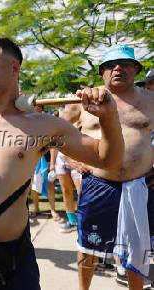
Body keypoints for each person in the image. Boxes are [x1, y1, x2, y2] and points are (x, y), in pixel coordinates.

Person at [0, 38, 124, 290]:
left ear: (14, 68)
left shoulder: (42, 126)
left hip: (10, 263)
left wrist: (109, 118)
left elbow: (107, 158)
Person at [64, 44, 154, 290]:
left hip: (141, 184)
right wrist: (73, 160)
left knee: (137, 249)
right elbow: (55, 132)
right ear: (102, 71)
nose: (117, 68)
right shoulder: (81, 101)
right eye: (110, 65)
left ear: (135, 69)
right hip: (98, 184)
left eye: (124, 64)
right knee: (87, 246)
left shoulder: (151, 100)